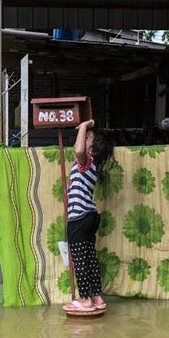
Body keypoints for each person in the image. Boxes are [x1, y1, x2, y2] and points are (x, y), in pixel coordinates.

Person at [63, 119, 115, 312]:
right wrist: (85, 131)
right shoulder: (93, 166)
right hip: (89, 217)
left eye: (87, 139)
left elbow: (78, 150)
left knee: (80, 260)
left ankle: (85, 300)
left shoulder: (85, 161)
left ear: (92, 149)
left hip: (78, 217)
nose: (83, 139)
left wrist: (84, 125)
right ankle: (97, 297)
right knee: (90, 258)